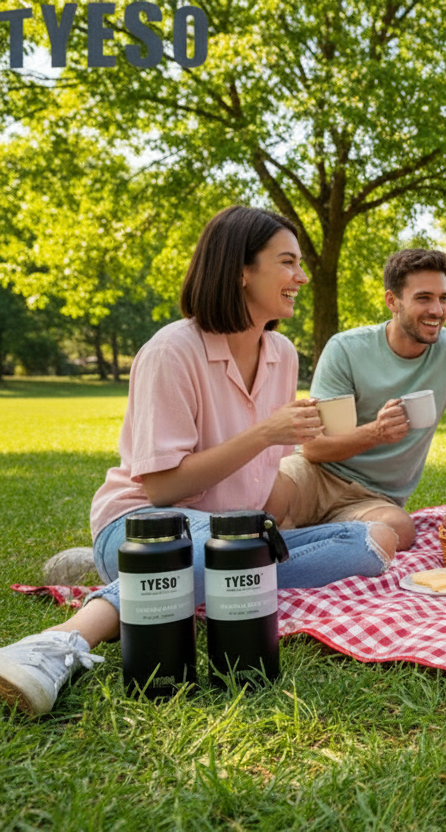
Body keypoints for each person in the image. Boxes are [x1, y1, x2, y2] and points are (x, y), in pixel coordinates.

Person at [0, 206, 395, 716]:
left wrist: (286, 519)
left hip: (234, 535)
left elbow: (265, 478)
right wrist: (265, 434)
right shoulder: (171, 351)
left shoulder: (282, 353)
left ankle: (149, 583)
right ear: (241, 271)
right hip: (148, 528)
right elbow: (163, 488)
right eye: (287, 262)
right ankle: (61, 641)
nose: (301, 277)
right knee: (230, 554)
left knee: (369, 542)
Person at [267, 249, 446, 551]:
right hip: (315, 476)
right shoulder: (346, 349)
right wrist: (377, 433)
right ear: (392, 301)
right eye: (424, 298)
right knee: (265, 501)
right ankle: (304, 539)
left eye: (443, 298)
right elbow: (314, 449)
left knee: (398, 531)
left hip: (376, 499)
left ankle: (285, 540)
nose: (437, 310)